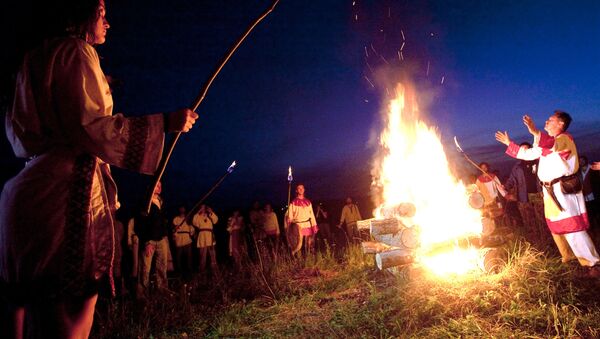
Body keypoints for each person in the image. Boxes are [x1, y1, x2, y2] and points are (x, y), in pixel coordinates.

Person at [0, 1, 198, 337]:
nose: (108, 23)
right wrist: (165, 122)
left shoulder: (31, 61)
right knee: (71, 308)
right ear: (79, 12)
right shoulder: (75, 51)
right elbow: (92, 127)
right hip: (65, 193)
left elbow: (19, 133)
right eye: (102, 13)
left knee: (32, 305)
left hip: (27, 190)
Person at [495, 111, 600, 277]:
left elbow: (550, 144)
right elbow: (529, 154)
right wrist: (510, 143)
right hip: (550, 192)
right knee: (556, 227)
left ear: (560, 124)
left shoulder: (564, 139)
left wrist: (535, 131)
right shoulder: (547, 144)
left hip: (562, 192)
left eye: (550, 120)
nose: (546, 121)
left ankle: (593, 264)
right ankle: (569, 257)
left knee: (572, 227)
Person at [134, 182, 172, 299]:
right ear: (150, 186)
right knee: (145, 269)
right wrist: (146, 242)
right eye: (157, 185)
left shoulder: (161, 202)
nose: (160, 187)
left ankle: (162, 290)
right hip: (149, 241)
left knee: (162, 267)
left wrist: (168, 231)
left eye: (161, 185)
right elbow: (139, 225)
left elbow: (163, 222)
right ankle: (142, 295)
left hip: (161, 240)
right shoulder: (145, 203)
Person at [504, 143, 545, 241]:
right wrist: (505, 186)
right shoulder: (517, 166)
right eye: (522, 149)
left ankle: (547, 240)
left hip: (538, 194)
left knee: (542, 219)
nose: (524, 150)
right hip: (523, 197)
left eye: (526, 148)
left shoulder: (539, 162)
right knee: (529, 219)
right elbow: (512, 179)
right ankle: (535, 242)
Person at [286, 184, 318, 255]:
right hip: (298, 226)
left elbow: (311, 215)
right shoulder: (293, 202)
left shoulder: (308, 202)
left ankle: (308, 260)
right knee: (298, 245)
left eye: (302, 188)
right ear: (296, 190)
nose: (301, 189)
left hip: (307, 225)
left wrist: (314, 226)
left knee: (309, 244)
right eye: (299, 188)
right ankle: (298, 260)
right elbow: (290, 215)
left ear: (304, 190)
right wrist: (289, 219)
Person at [192, 205, 219, 273]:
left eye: (204, 207)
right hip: (202, 236)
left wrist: (211, 212)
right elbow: (194, 222)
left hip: (210, 236)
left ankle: (214, 268)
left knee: (212, 254)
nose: (203, 208)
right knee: (202, 254)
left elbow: (215, 220)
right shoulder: (198, 216)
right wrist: (198, 212)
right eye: (201, 207)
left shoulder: (210, 215)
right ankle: (202, 269)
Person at [172, 206, 194, 278]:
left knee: (189, 257)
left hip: (187, 240)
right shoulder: (176, 219)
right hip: (179, 240)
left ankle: (189, 271)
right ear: (179, 210)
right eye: (181, 208)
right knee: (178, 257)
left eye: (183, 208)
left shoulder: (188, 219)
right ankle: (178, 271)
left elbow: (191, 229)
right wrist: (175, 231)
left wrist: (192, 233)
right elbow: (173, 229)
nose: (182, 209)